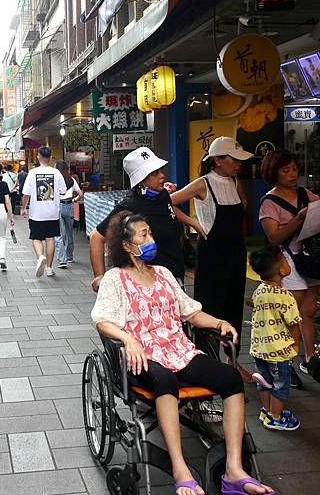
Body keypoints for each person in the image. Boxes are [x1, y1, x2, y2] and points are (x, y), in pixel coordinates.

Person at [92, 211, 276, 495]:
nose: (151, 239)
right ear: (127, 246)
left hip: (179, 350)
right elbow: (103, 320)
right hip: (143, 357)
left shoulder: (163, 274)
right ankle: (180, 469)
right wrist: (128, 339)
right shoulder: (115, 278)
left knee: (229, 378)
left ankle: (234, 470)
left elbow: (190, 312)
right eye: (144, 235)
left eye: (150, 233)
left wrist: (219, 322)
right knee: (164, 379)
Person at [171, 136, 254, 383]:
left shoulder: (236, 181)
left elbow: (244, 208)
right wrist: (194, 222)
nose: (239, 164)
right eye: (234, 159)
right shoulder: (202, 183)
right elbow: (169, 203)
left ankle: (233, 362)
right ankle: (208, 363)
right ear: (218, 161)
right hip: (211, 253)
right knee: (209, 307)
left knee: (233, 305)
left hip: (236, 251)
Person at [90, 147, 202, 293]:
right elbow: (96, 237)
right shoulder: (129, 206)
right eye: (154, 173)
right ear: (140, 180)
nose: (162, 176)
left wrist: (192, 222)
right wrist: (100, 277)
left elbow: (169, 209)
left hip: (174, 277)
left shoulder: (162, 195)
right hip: (148, 287)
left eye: (161, 171)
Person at [258, 149, 319, 387]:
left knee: (309, 310)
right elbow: (273, 237)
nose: (292, 174)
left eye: (294, 169)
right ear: (274, 173)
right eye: (285, 170)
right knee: (289, 314)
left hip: (311, 259)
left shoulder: (307, 194)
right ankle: (286, 363)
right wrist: (298, 220)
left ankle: (310, 358)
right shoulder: (269, 202)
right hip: (288, 261)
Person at [248, 246, 301, 431]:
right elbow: (294, 323)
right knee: (280, 384)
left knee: (265, 381)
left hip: (258, 348)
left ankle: (267, 410)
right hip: (278, 350)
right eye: (285, 261)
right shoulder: (286, 296)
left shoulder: (260, 290)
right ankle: (276, 417)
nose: (288, 263)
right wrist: (295, 345)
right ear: (281, 270)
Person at [21, 146, 67, 278]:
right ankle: (49, 268)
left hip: (37, 213)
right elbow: (63, 191)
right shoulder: (56, 173)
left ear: (39, 157)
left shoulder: (33, 173)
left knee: (36, 238)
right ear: (50, 157)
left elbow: (26, 194)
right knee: (50, 239)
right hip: (52, 213)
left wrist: (24, 208)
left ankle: (41, 257)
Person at [55, 160, 82, 269]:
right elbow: (80, 194)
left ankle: (62, 259)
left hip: (59, 206)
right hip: (69, 205)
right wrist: (74, 199)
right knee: (69, 232)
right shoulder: (71, 180)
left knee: (60, 233)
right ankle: (70, 256)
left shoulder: (56, 180)